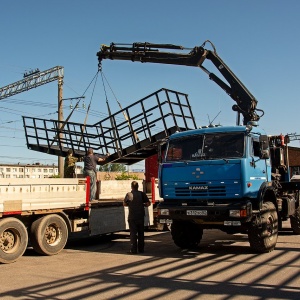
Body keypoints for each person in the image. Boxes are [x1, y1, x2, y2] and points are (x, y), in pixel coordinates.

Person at [123, 181, 151, 254]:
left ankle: (133, 250)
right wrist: (143, 205)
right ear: (138, 187)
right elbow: (148, 203)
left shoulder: (129, 194)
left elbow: (124, 204)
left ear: (131, 187)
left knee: (133, 234)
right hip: (140, 216)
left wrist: (130, 204)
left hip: (132, 217)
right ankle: (141, 249)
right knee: (141, 233)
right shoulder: (142, 194)